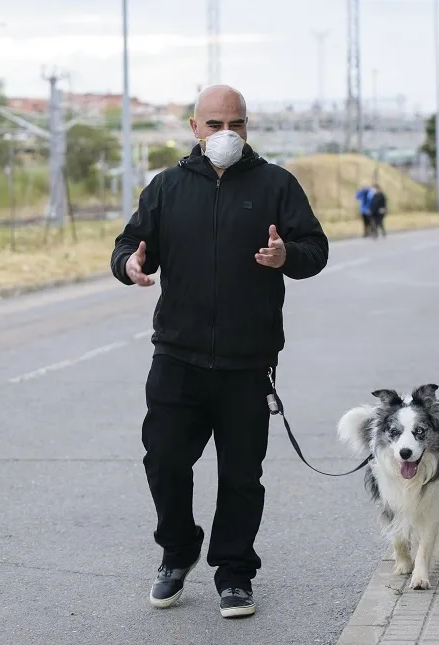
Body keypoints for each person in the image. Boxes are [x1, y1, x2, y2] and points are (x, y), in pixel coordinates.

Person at [110, 84, 329, 618]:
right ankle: (177, 551)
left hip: (246, 361)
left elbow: (315, 250)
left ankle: (234, 573)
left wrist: (286, 256)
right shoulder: (166, 188)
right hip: (177, 357)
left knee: (240, 475)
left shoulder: (277, 184)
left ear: (248, 126)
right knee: (163, 459)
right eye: (215, 125)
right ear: (194, 128)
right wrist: (129, 267)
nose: (226, 134)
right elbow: (129, 246)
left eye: (237, 124)